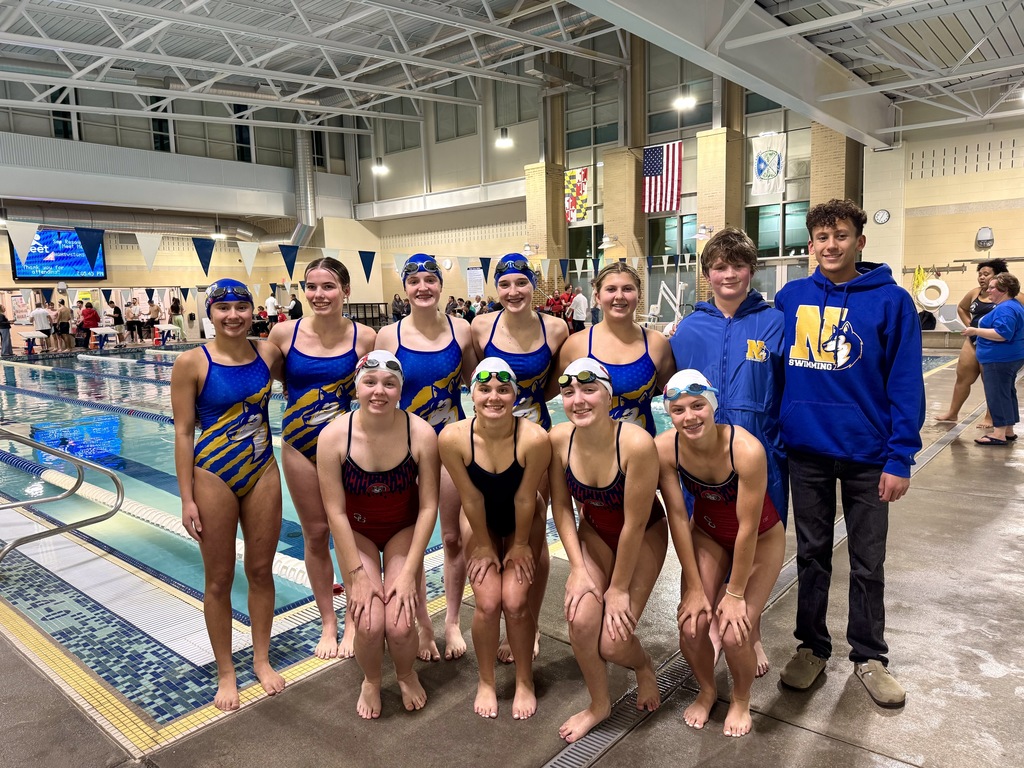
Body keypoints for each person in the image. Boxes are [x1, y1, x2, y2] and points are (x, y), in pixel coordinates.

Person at [775, 199, 923, 709]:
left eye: (840, 235)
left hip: (868, 455)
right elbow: (771, 369)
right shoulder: (790, 297)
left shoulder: (891, 301)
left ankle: (869, 655)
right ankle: (811, 647)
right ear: (810, 244)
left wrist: (900, 455)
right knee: (811, 555)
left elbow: (904, 383)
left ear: (860, 241)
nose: (830, 245)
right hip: (806, 451)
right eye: (821, 237)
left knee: (868, 560)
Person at [669, 226, 787, 677]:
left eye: (738, 265)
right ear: (707, 274)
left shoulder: (774, 322)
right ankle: (713, 613)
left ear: (751, 270)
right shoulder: (689, 328)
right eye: (720, 266)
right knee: (713, 535)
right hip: (704, 458)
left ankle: (750, 630)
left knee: (756, 537)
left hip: (764, 455)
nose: (729, 274)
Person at [170, 278, 286, 711]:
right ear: (210, 314)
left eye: (241, 307)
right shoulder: (191, 363)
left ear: (252, 311)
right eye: (223, 309)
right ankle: (225, 670)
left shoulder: (268, 354)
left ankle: (260, 658)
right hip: (213, 475)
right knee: (218, 579)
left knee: (261, 570)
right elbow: (183, 433)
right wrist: (186, 498)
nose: (233, 316)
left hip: (262, 472)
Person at [657, 369, 784, 737]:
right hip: (708, 535)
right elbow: (678, 517)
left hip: (760, 539)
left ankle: (741, 698)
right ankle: (708, 689)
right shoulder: (665, 449)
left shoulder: (745, 450)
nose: (689, 417)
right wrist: (696, 587)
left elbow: (746, 527)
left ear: (713, 405)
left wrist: (735, 593)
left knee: (733, 632)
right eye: (678, 410)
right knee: (692, 625)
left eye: (698, 406)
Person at [548, 357, 668, 743]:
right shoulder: (558, 439)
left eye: (588, 390)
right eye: (569, 393)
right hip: (596, 534)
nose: (578, 400)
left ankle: (645, 665)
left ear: (609, 395)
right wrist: (579, 567)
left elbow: (634, 523)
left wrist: (616, 589)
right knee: (581, 621)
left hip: (643, 535)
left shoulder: (635, 443)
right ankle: (599, 704)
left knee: (615, 643)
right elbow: (562, 509)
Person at [316, 351, 440, 718]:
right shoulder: (334, 436)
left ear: (401, 389)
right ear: (357, 387)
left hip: (402, 529)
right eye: (369, 383)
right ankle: (370, 680)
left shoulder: (421, 433)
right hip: (358, 534)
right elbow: (335, 512)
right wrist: (355, 575)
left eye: (389, 383)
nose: (379, 391)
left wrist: (408, 575)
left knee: (401, 623)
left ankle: (404, 674)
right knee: (368, 623)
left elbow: (429, 507)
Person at [267, 257, 377, 660]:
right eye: (311, 287)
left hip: (348, 448)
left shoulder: (365, 337)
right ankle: (328, 622)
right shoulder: (283, 333)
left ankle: (353, 620)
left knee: (349, 531)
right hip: (298, 443)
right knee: (315, 534)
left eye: (328, 286)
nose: (318, 295)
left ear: (346, 291)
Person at [376, 252, 478, 660]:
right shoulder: (388, 336)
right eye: (414, 280)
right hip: (407, 450)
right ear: (405, 287)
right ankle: (423, 625)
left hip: (452, 445)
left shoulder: (463, 330)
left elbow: (478, 383)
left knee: (452, 537)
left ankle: (452, 621)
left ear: (440, 285)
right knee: (413, 543)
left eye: (430, 280)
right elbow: (377, 395)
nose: (423, 287)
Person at [439, 359, 551, 720]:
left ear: (515, 396)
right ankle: (486, 681)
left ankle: (524, 680)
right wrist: (485, 545)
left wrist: (520, 545)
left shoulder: (534, 438)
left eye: (504, 390)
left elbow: (525, 498)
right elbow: (470, 498)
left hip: (525, 519)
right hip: (479, 519)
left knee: (516, 602)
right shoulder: (453, 438)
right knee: (488, 602)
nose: (494, 397)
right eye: (484, 389)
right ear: (471, 394)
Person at [472, 254, 566, 661]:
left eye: (521, 283)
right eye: (505, 284)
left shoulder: (557, 328)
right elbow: (477, 382)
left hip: (535, 441)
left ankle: (529, 620)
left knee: (530, 538)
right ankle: (498, 612)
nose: (513, 292)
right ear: (497, 288)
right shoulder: (480, 327)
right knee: (493, 531)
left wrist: (524, 419)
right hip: (488, 443)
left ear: (533, 286)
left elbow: (552, 386)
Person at [556, 262, 676, 436]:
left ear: (639, 295)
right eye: (611, 289)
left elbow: (676, 398)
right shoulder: (576, 345)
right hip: (591, 452)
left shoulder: (656, 343)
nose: (619, 296)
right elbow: (547, 392)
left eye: (628, 289)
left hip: (642, 453)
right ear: (597, 296)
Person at [936, 258, 1008, 425]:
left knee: (990, 382)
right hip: (973, 340)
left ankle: (991, 417)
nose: (981, 277)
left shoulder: (1007, 295)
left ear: (997, 276)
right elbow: (961, 308)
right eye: (980, 274)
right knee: (962, 377)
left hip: (994, 344)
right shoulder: (974, 293)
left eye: (986, 274)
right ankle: (952, 413)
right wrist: (970, 324)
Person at [963, 272, 1024, 445]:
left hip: (1000, 359)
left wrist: (975, 331)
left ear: (1003, 290)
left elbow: (1003, 334)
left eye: (992, 288)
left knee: (997, 394)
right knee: (1006, 392)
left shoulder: (1006, 308)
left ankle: (998, 433)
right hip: (1008, 357)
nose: (988, 291)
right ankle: (1008, 430)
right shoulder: (1013, 305)